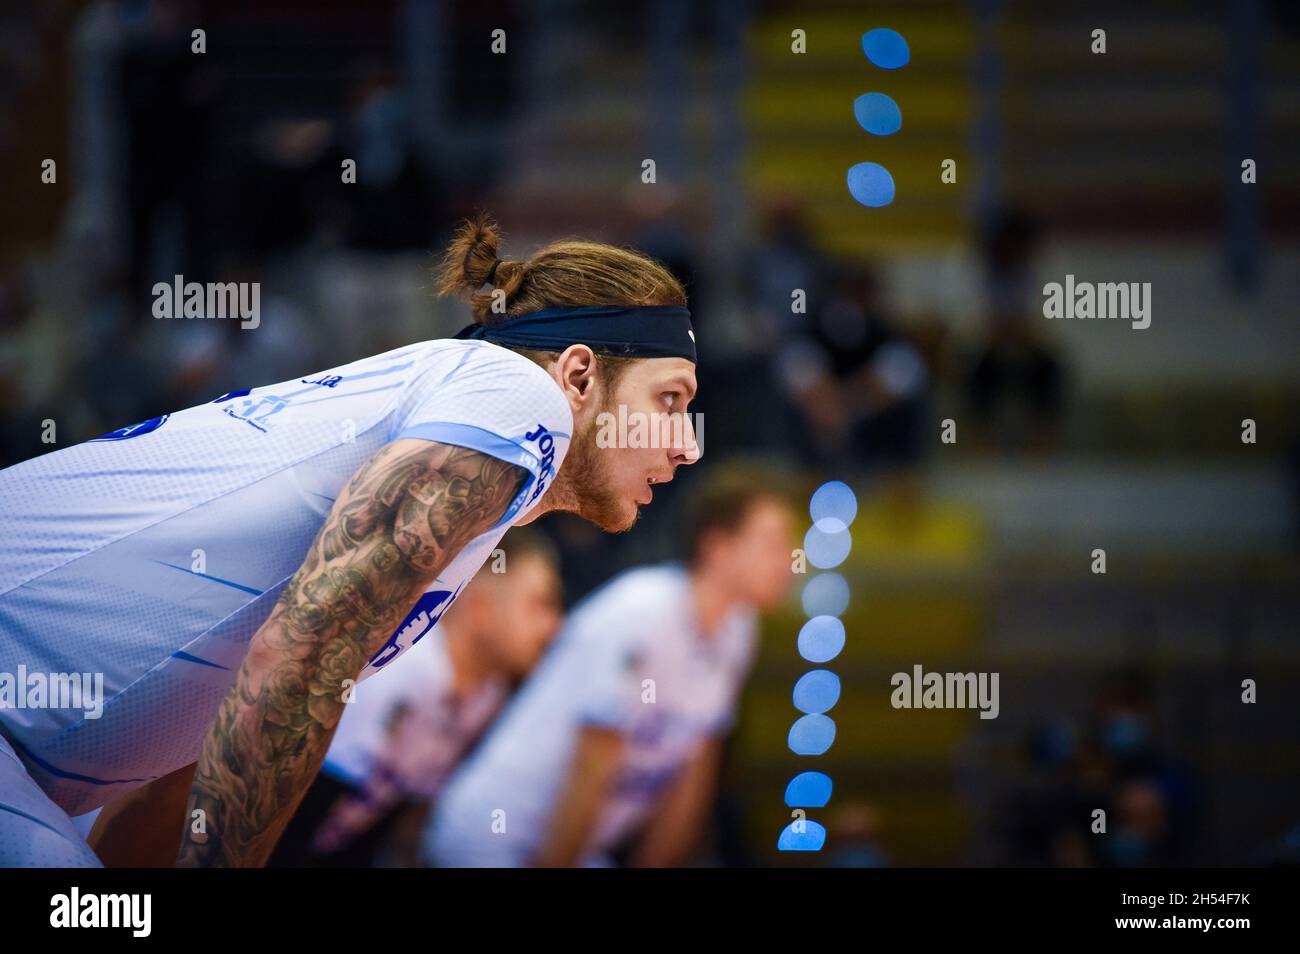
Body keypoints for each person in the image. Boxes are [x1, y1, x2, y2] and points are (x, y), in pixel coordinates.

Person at [0, 212, 700, 867]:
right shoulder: (523, 402)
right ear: (578, 375)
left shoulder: (479, 464)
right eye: (670, 400)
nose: (687, 445)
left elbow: (201, 748)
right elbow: (297, 657)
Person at [427, 467, 794, 867]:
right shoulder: (644, 611)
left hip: (577, 846)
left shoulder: (738, 633)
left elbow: (691, 780)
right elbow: (592, 766)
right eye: (773, 543)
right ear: (717, 546)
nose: (790, 561)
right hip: (494, 838)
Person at [268, 528, 563, 867]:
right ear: (480, 609)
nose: (554, 627)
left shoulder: (486, 697)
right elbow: (301, 793)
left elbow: (401, 816)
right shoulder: (406, 667)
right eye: (540, 605)